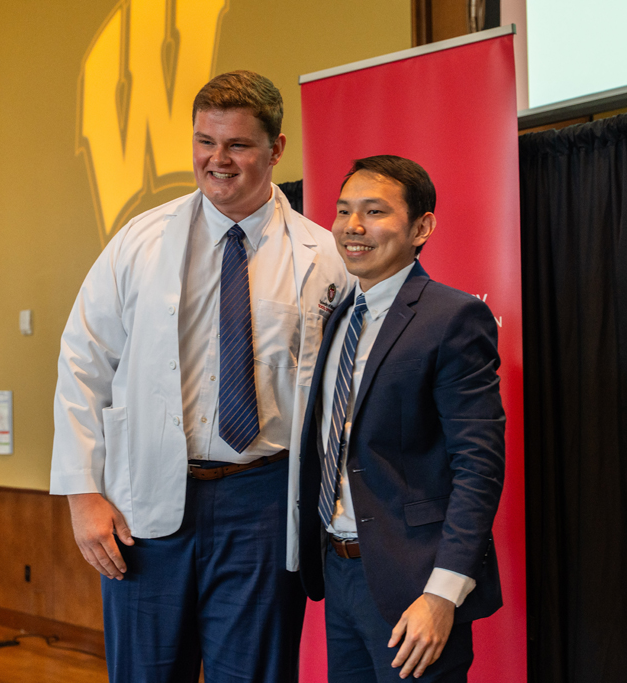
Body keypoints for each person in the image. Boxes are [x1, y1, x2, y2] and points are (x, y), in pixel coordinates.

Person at [51, 70, 351, 683]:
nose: (218, 160)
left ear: (276, 150)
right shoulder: (139, 241)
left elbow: (344, 397)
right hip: (145, 503)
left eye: (237, 144)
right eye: (204, 141)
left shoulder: (324, 258)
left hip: (262, 503)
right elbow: (83, 361)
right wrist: (84, 494)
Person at [298, 155, 506, 682]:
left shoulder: (453, 317)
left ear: (421, 228)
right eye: (343, 211)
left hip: (415, 583)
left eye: (374, 211)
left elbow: (478, 468)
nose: (352, 227)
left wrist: (442, 594)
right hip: (340, 572)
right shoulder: (341, 313)